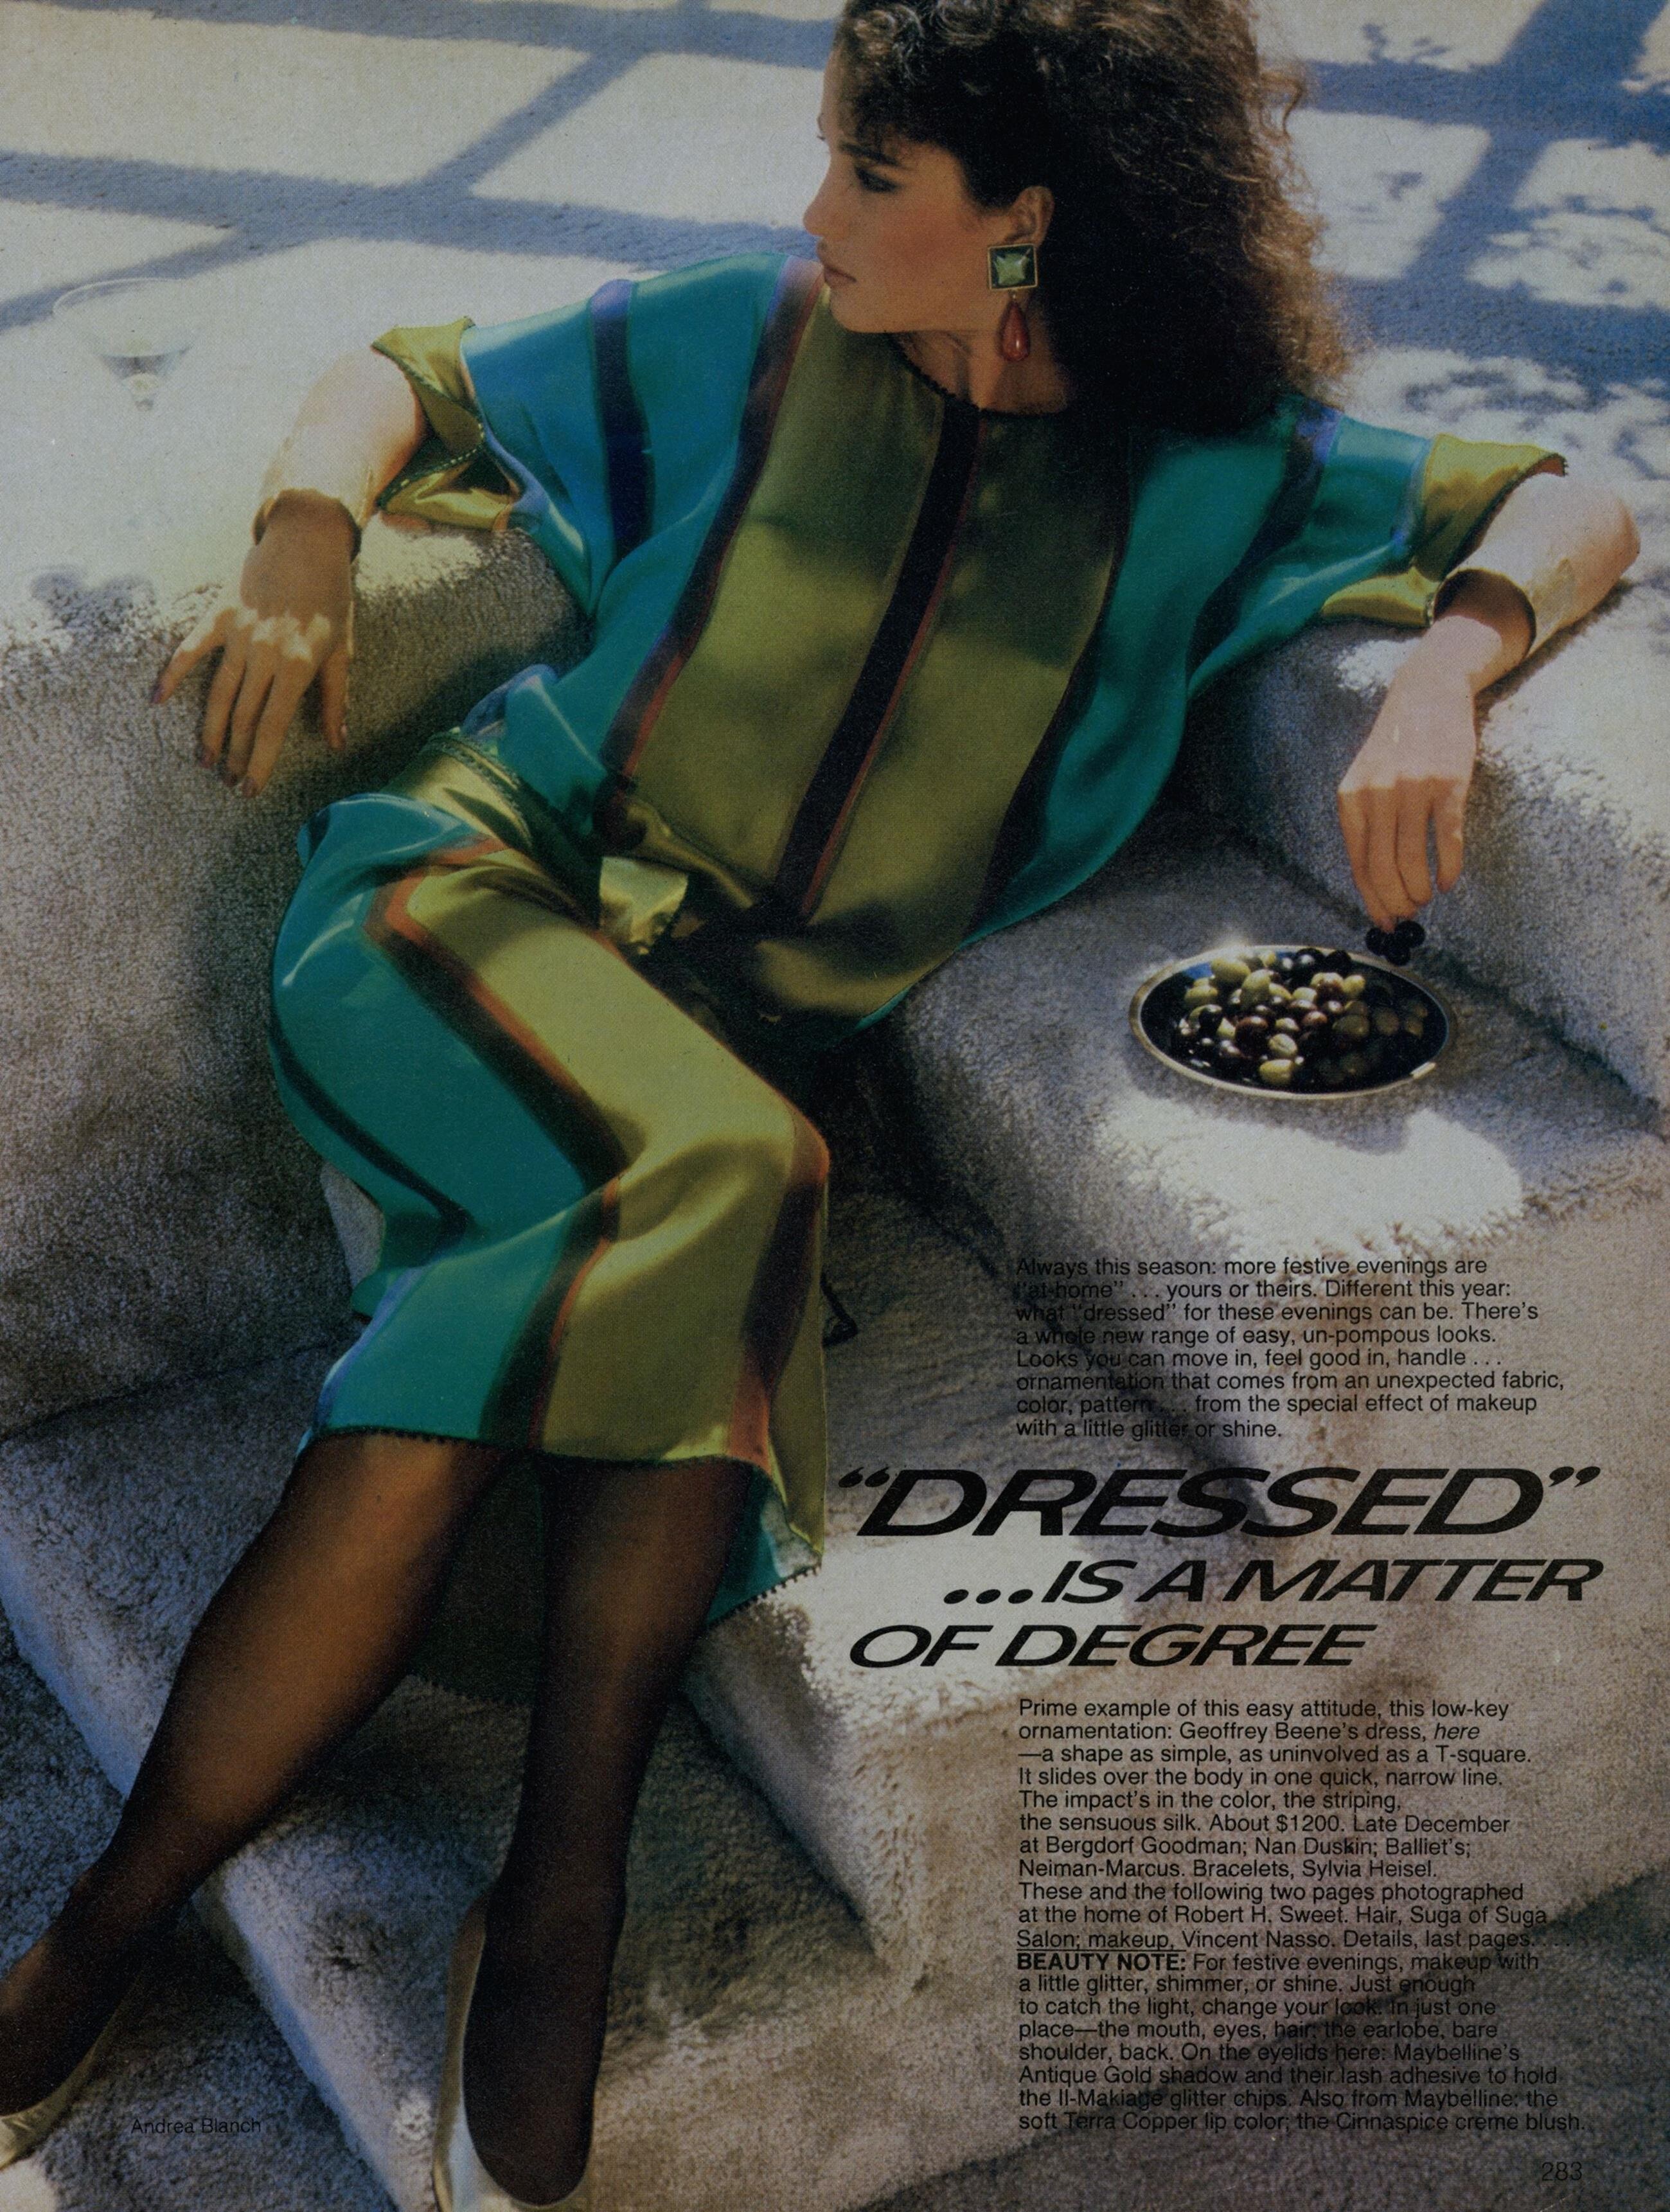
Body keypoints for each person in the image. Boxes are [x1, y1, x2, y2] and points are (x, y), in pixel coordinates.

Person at [0, 0, 1638, 2206]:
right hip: (458, 914)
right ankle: (558, 1881)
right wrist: (308, 531)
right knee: (746, 1166)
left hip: (706, 1089)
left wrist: (1446, 665)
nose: (816, 207)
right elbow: (415, 376)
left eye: (872, 169)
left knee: (695, 1196)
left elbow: (1564, 499)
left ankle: (121, 1921)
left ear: (1026, 225)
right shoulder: (756, 337)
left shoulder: (1199, 477)